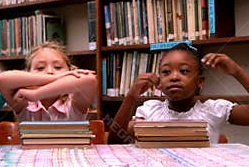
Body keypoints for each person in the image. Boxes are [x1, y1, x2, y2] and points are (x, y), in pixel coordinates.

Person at [107, 43, 249, 144]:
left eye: (184, 71)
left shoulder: (213, 110)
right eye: (166, 72)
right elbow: (115, 142)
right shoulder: (150, 110)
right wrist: (131, 97)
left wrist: (237, 72)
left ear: (200, 81)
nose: (174, 77)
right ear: (159, 82)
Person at [0, 41, 97, 121]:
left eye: (58, 67)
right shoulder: (25, 104)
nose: (49, 72)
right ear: (28, 75)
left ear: (70, 71)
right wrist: (56, 78)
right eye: (40, 68)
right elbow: (2, 80)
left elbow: (90, 80)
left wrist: (36, 94)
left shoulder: (73, 104)